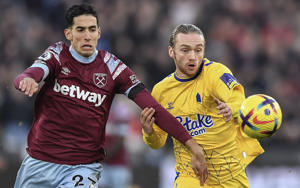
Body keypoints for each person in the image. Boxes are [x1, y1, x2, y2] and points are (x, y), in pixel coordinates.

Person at [13, 4, 207, 188]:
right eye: (80, 30)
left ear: (99, 32)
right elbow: (32, 72)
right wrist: (27, 80)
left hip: (83, 166)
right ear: (69, 34)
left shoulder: (113, 68)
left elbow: (153, 108)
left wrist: (191, 143)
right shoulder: (57, 54)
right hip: (41, 160)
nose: (87, 36)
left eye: (92, 29)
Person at [140, 24, 264, 188]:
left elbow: (240, 101)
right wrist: (149, 132)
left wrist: (230, 109)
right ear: (172, 51)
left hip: (229, 174)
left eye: (198, 50)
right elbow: (158, 143)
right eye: (185, 50)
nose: (193, 56)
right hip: (189, 174)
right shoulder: (161, 91)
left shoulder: (216, 73)